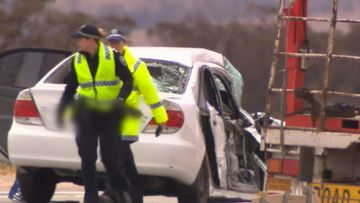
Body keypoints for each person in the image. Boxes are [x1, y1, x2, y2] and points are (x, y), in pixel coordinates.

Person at [57, 24, 135, 203]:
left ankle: (118, 191)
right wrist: (63, 107)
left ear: (91, 40)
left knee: (110, 157)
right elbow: (71, 87)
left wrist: (120, 99)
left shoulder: (112, 56)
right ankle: (90, 196)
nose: (78, 41)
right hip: (86, 113)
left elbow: (128, 80)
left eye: (81, 38)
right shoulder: (76, 60)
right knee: (87, 154)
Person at [99, 29, 168, 203]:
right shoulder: (104, 62)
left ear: (124, 43)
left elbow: (150, 93)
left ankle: (111, 195)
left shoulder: (136, 66)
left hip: (125, 121)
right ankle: (128, 196)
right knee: (122, 164)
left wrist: (161, 118)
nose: (114, 45)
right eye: (111, 42)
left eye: (117, 41)